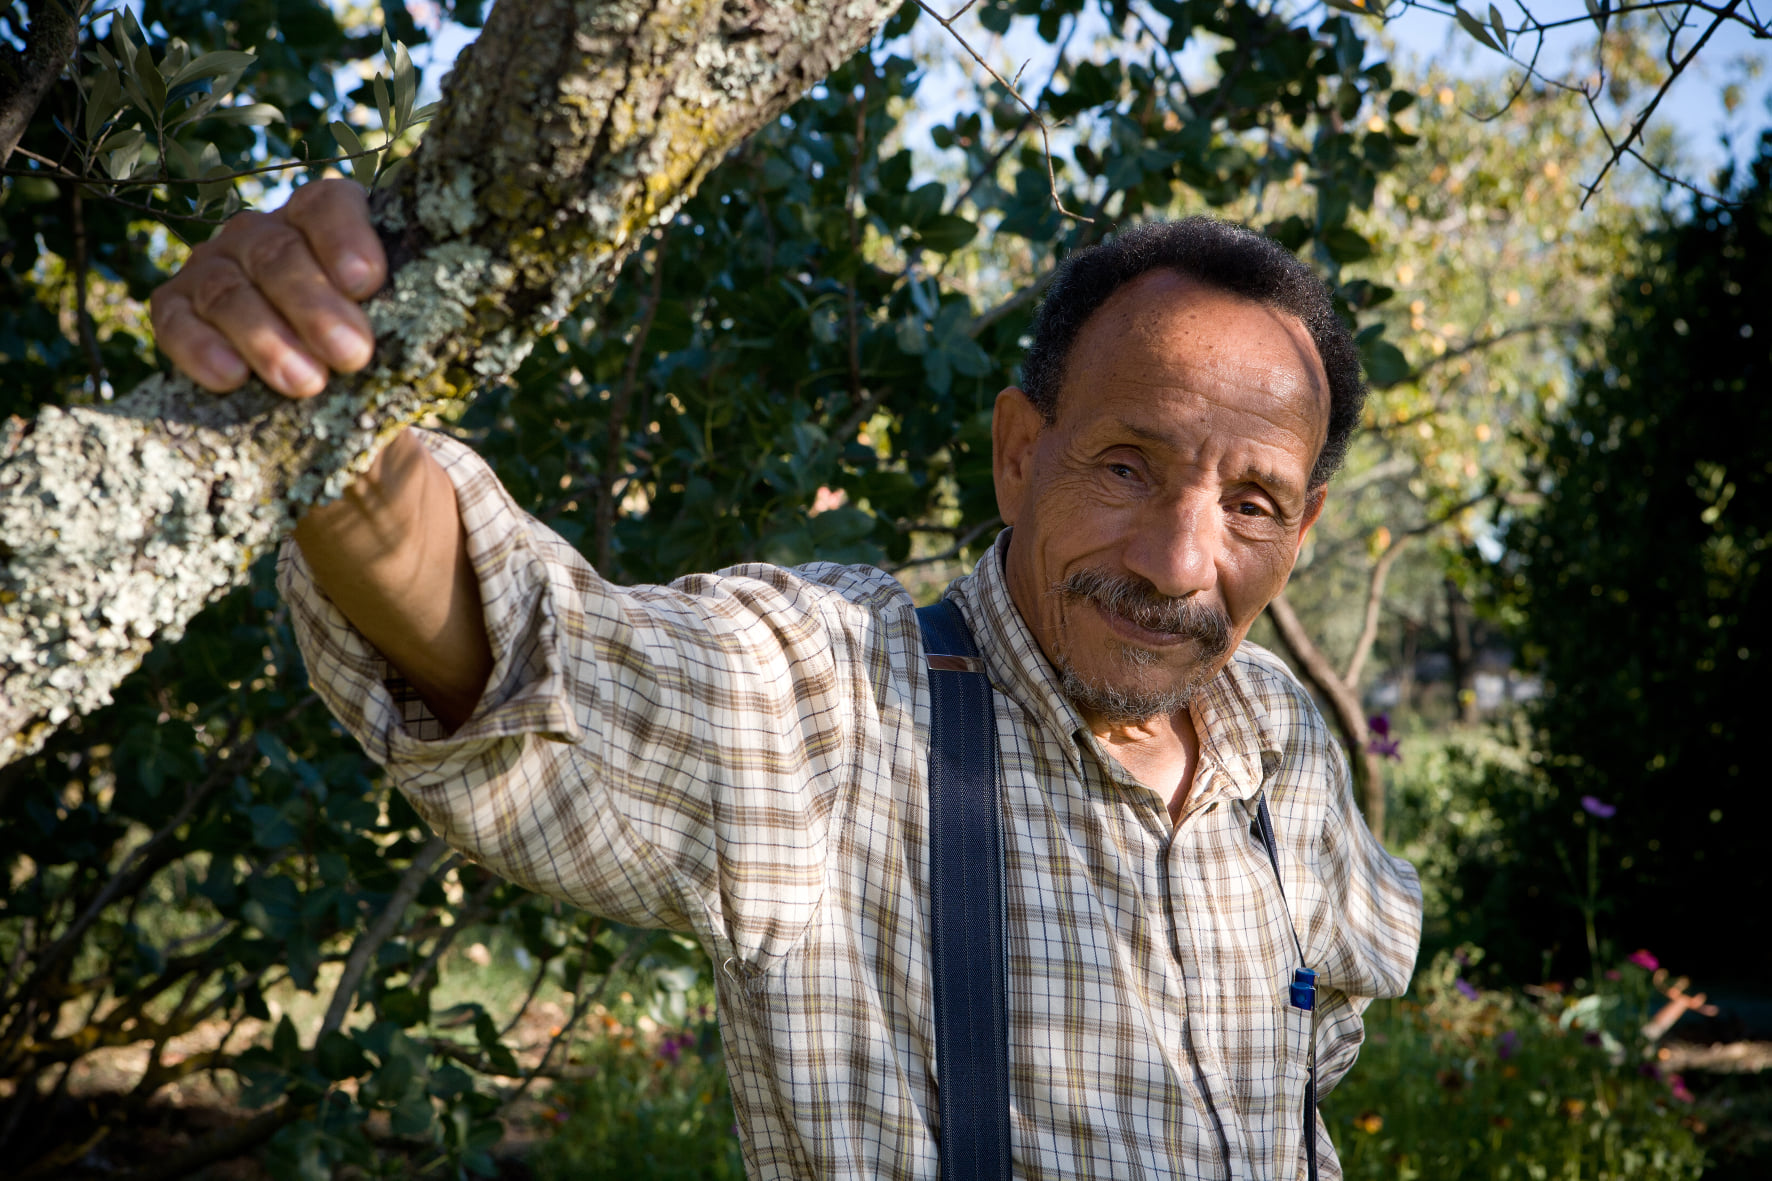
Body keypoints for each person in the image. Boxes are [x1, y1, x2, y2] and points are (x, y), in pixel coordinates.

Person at [152, 178, 1422, 1180]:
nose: (1177, 560)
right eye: (1126, 467)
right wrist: (322, 391)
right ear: (1019, 453)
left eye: (1248, 501)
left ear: (1298, 529)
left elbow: (1302, 1085)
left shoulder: (1280, 742)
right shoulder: (835, 698)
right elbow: (543, 657)